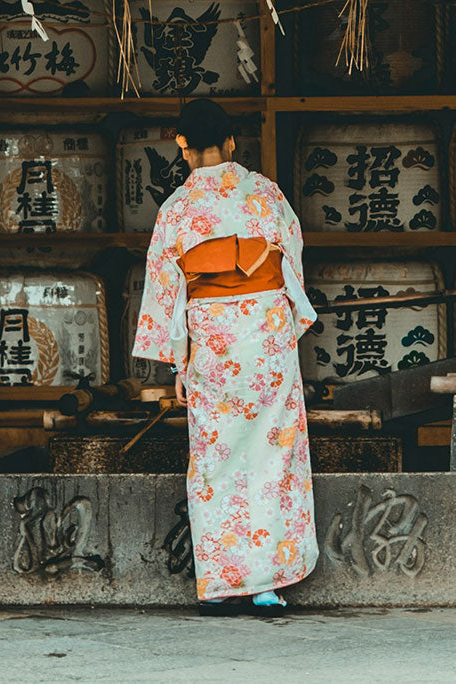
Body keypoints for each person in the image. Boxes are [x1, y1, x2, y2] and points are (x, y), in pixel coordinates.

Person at [132, 99, 318, 617]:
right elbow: (292, 263)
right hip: (266, 339)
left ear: (182, 145)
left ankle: (219, 585)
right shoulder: (266, 195)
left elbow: (167, 291)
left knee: (215, 461)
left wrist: (178, 361)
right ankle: (268, 587)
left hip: (213, 343)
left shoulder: (176, 211)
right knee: (274, 457)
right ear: (233, 142)